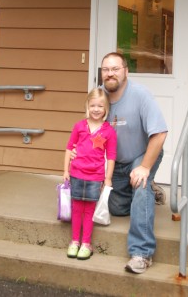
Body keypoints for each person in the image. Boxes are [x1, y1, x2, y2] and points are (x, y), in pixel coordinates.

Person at [100, 52, 167, 274]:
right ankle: (148, 193)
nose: (110, 73)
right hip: (116, 164)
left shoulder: (140, 95)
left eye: (115, 69)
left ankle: (142, 253)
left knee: (140, 184)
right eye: (105, 70)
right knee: (115, 208)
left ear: (125, 72)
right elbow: (91, 133)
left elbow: (159, 134)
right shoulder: (99, 98)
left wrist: (145, 167)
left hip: (142, 154)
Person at [63, 87, 117, 261]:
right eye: (93, 105)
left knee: (89, 210)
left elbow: (111, 157)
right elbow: (69, 148)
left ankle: (86, 243)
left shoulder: (109, 131)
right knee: (77, 208)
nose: (96, 109)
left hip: (95, 177)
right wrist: (65, 170)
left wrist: (108, 178)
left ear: (106, 109)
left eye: (100, 106)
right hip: (77, 173)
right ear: (87, 105)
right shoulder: (79, 126)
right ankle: (74, 242)